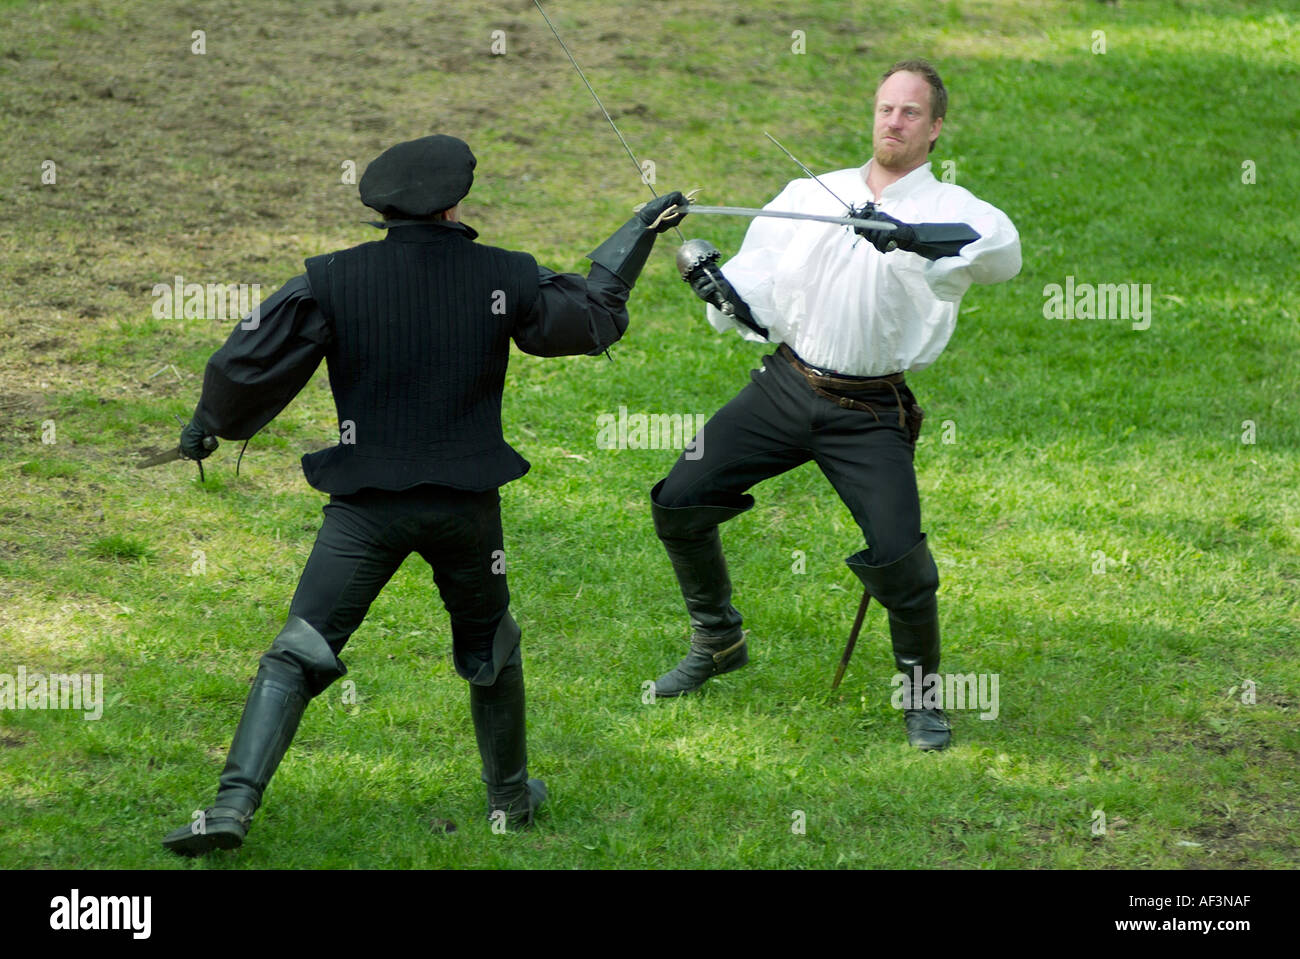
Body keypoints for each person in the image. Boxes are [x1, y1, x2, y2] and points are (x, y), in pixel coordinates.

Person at [161, 134, 687, 855]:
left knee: (299, 648)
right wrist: (638, 231)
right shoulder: (504, 274)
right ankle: (509, 797)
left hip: (364, 508)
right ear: (454, 201)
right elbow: (591, 315)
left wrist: (207, 425)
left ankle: (231, 804)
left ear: (381, 207)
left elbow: (245, 361)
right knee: (490, 644)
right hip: (466, 509)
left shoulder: (330, 278)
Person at [650, 60, 1021, 750]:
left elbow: (1003, 253)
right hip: (785, 387)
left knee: (901, 558)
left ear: (935, 127)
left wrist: (906, 235)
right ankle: (718, 639)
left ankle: (921, 699)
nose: (895, 121)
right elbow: (762, 282)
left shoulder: (952, 208)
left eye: (911, 112)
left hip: (869, 410)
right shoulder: (811, 192)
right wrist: (724, 292)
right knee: (680, 497)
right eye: (886, 108)